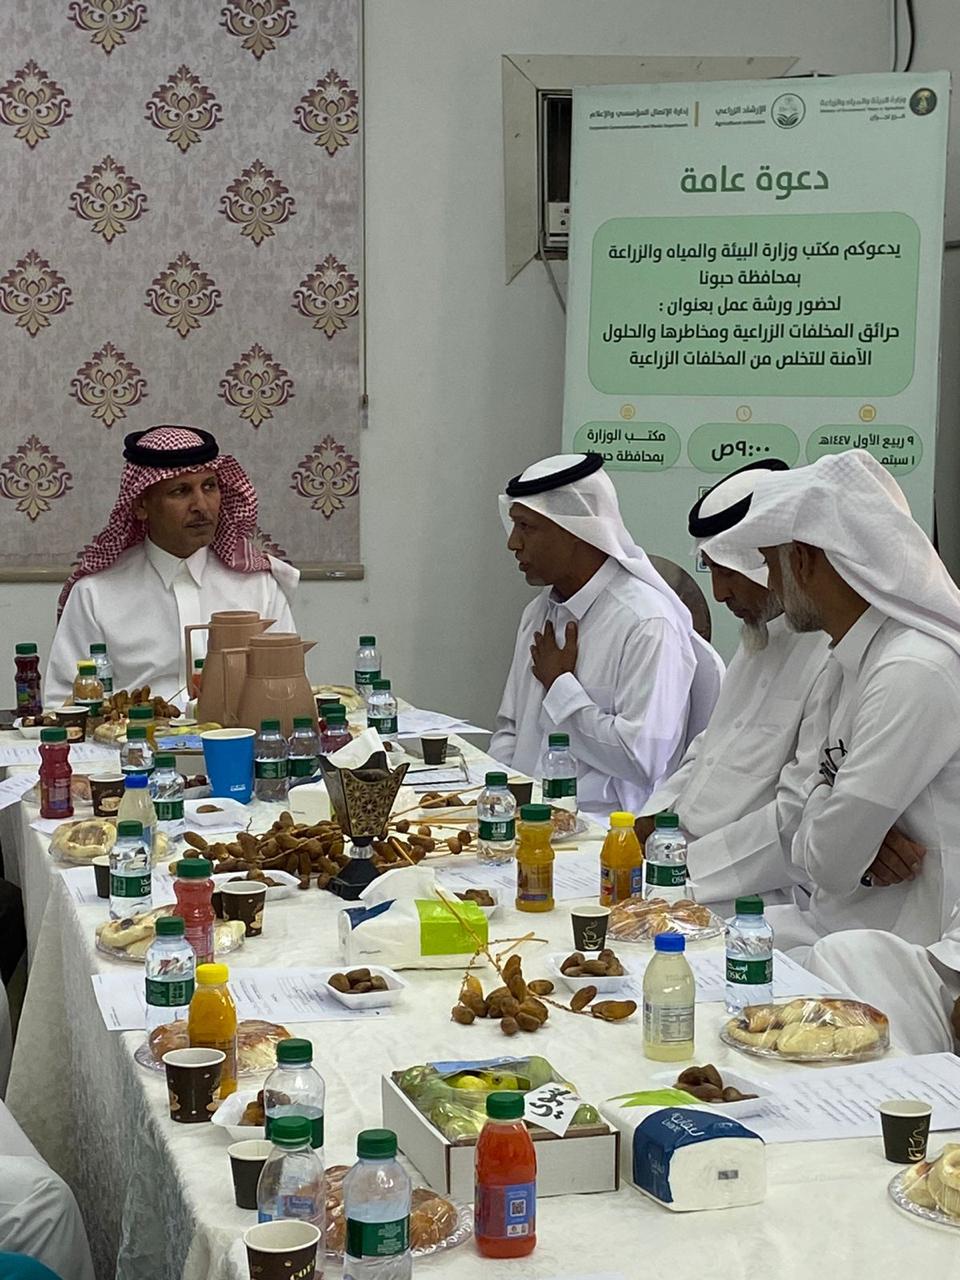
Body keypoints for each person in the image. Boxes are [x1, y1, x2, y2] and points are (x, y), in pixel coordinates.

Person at [707, 448, 960, 954]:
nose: (771, 584)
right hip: (832, 924)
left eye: (770, 565)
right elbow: (814, 841)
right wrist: (847, 825)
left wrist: (834, 818)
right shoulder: (845, 662)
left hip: (898, 956)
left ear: (802, 560)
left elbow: (828, 860)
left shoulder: (911, 670)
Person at [637, 461, 831, 913]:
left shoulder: (828, 653)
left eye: (728, 572)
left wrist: (684, 873)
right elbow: (709, 750)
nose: (720, 594)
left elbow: (795, 816)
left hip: (758, 892)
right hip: (680, 866)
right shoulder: (757, 638)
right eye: (712, 572)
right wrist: (649, 822)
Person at [490, 452, 724, 815]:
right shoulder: (537, 613)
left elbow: (642, 760)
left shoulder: (646, 623)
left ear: (576, 531)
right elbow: (509, 730)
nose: (513, 543)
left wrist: (561, 688)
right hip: (525, 819)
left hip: (604, 829)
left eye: (527, 527)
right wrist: (497, 803)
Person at [47, 427, 298, 706]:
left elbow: (286, 691)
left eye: (209, 487)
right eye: (180, 491)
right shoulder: (95, 593)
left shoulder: (259, 586)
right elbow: (63, 705)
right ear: (141, 505)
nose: (201, 505)